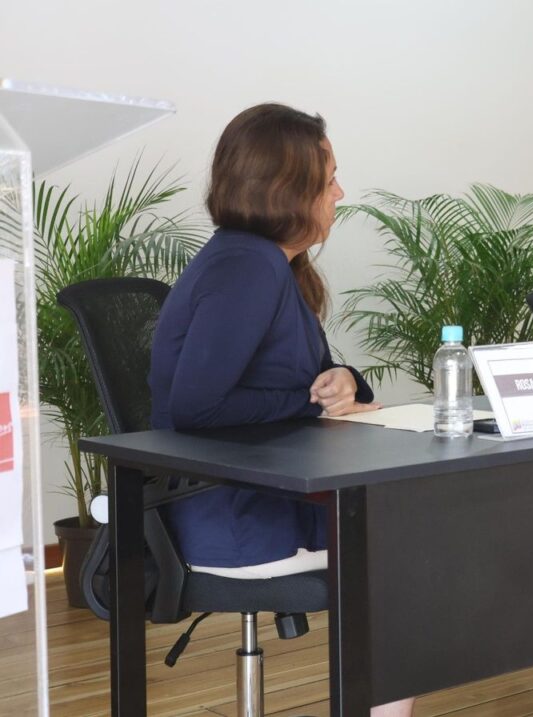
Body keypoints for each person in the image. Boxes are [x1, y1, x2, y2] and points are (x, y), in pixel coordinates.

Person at [149, 103, 413, 717]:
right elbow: (196, 407)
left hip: (259, 494)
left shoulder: (265, 263)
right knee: (413, 552)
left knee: (415, 530)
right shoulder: (248, 266)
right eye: (330, 180)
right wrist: (310, 404)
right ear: (287, 189)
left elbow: (301, 377)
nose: (340, 194)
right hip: (237, 515)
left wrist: (343, 382)